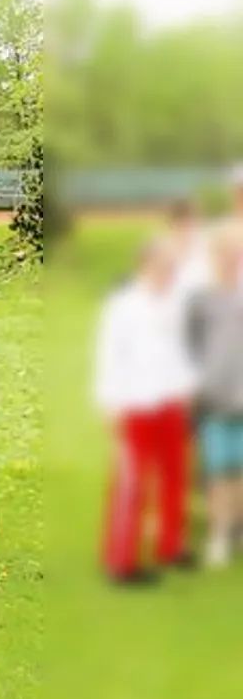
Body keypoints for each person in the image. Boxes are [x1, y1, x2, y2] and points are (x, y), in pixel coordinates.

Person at [94, 235, 196, 584]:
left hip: (172, 401)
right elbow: (109, 356)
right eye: (161, 266)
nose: (167, 273)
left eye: (172, 267)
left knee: (176, 476)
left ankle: (171, 545)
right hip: (136, 404)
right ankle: (122, 560)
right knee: (132, 482)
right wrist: (111, 402)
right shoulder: (124, 305)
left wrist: (187, 390)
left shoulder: (177, 303)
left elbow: (183, 351)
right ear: (145, 265)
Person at [188, 227, 243, 567]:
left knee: (239, 471)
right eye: (223, 254)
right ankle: (219, 534)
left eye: (234, 255)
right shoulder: (201, 299)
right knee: (217, 470)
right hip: (213, 400)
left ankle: (235, 528)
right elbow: (189, 346)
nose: (229, 260)